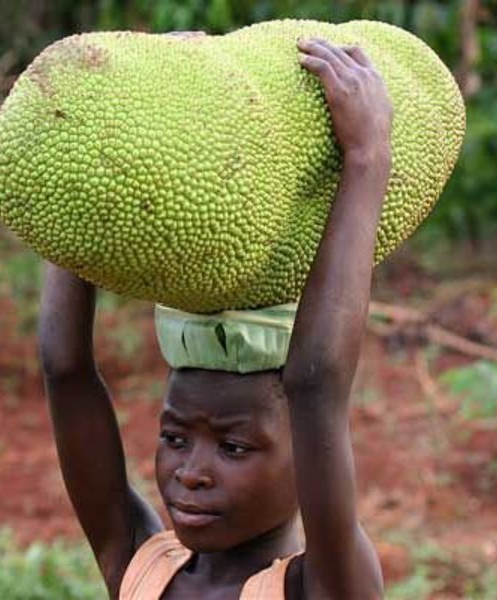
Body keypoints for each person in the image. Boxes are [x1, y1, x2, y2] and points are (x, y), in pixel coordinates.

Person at [38, 36, 393, 599]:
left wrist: (367, 158)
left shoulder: (322, 585)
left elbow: (315, 384)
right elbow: (65, 370)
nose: (190, 473)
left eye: (233, 448)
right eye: (175, 437)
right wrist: (102, 123)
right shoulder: (141, 569)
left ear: (310, 453)